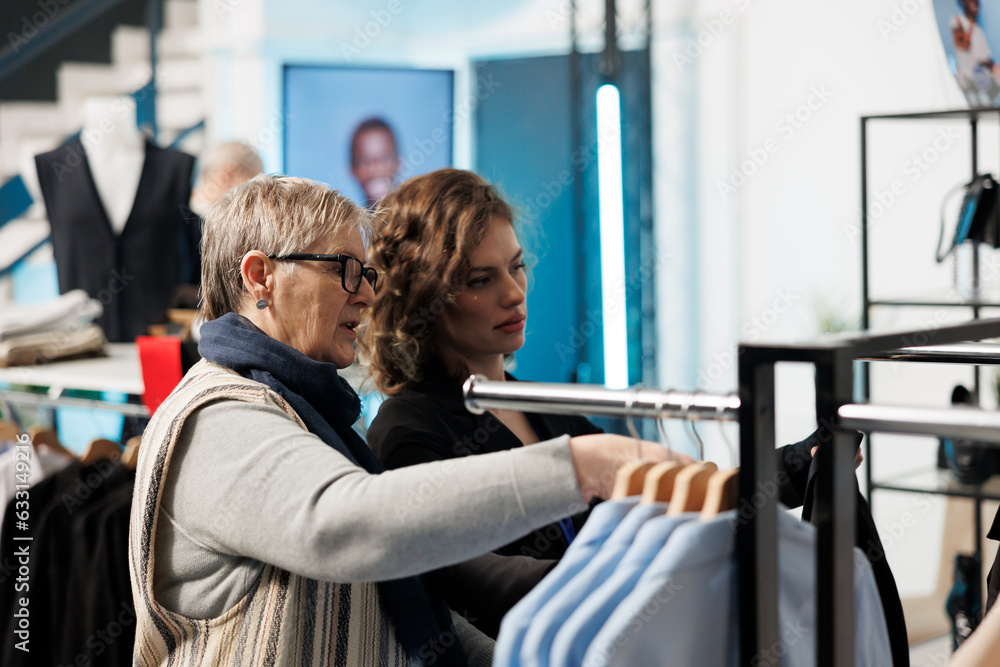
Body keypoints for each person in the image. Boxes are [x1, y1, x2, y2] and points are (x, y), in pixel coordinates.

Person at [127, 174, 674, 666]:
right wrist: (578, 467)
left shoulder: (308, 414)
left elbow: (397, 610)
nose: (367, 294)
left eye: (366, 273)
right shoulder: (220, 414)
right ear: (260, 276)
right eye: (345, 270)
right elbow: (346, 526)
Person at [361, 168, 851, 639]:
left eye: (517, 267)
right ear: (423, 298)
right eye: (480, 280)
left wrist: (796, 465)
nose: (514, 293)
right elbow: (477, 581)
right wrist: (646, 582)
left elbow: (671, 492)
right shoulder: (408, 431)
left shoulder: (541, 407)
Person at [951, 0, 1000, 106]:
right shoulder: (958, 22)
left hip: (986, 80)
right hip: (972, 80)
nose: (976, 9)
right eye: (972, 4)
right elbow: (963, 45)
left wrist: (994, 67)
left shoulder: (977, 29)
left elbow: (983, 57)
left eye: (977, 5)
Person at [350, 117, 400, 207]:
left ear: (398, 163)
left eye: (385, 160)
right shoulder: (350, 217)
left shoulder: (421, 214)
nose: (376, 170)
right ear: (353, 170)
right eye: (364, 162)